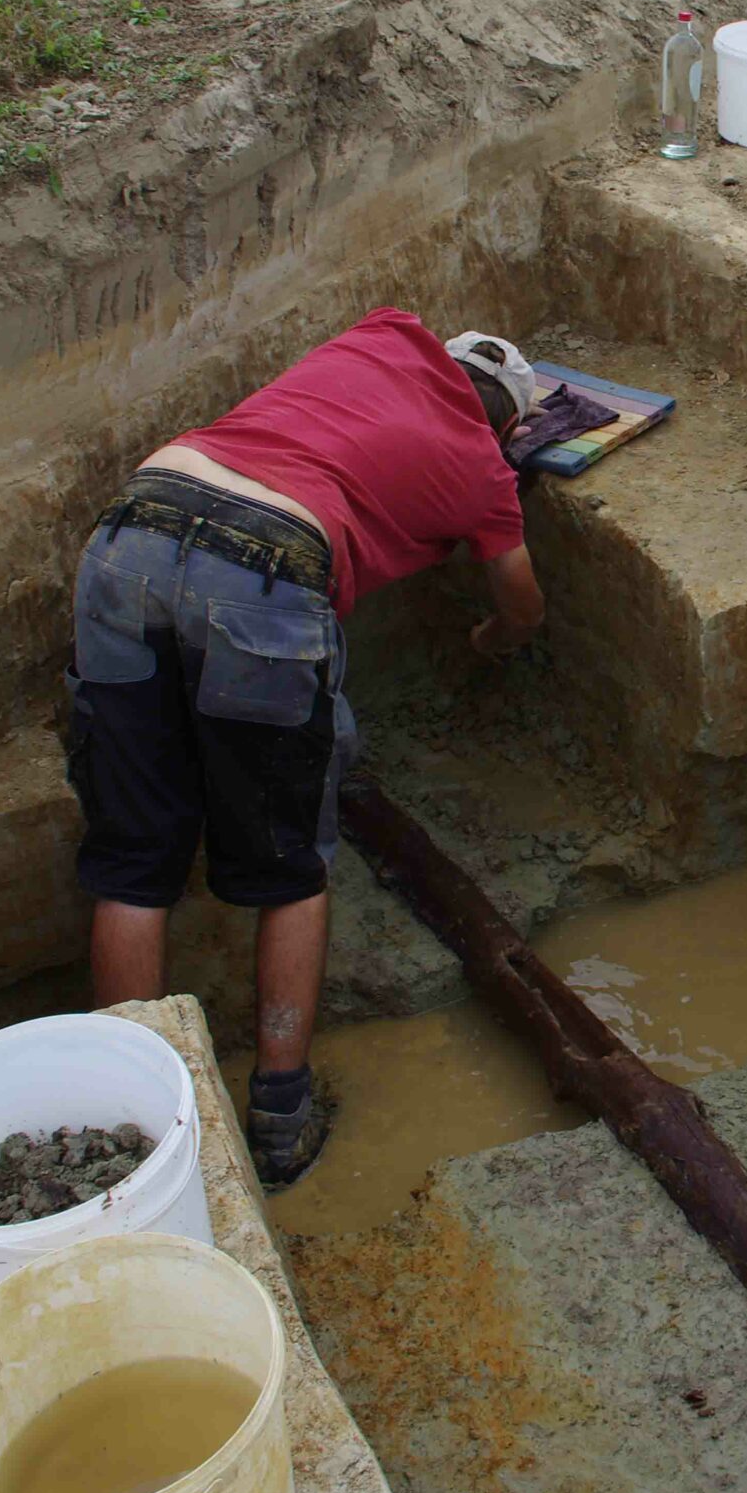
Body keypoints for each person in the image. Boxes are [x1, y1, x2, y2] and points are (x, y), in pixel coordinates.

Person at [67, 310, 547, 1188]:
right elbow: (521, 605)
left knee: (134, 861)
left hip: (132, 533)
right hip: (267, 570)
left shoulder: (383, 334)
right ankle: (280, 1116)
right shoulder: (483, 467)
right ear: (509, 425)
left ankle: (130, 1131)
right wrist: (488, 643)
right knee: (287, 866)